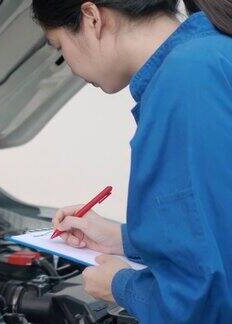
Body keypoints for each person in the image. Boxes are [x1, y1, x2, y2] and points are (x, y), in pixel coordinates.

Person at [30, 0, 232, 323]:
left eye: (60, 47)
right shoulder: (211, 55)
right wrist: (122, 239)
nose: (67, 66)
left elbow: (203, 304)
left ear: (92, 18)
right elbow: (221, 230)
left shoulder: (183, 84)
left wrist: (118, 286)